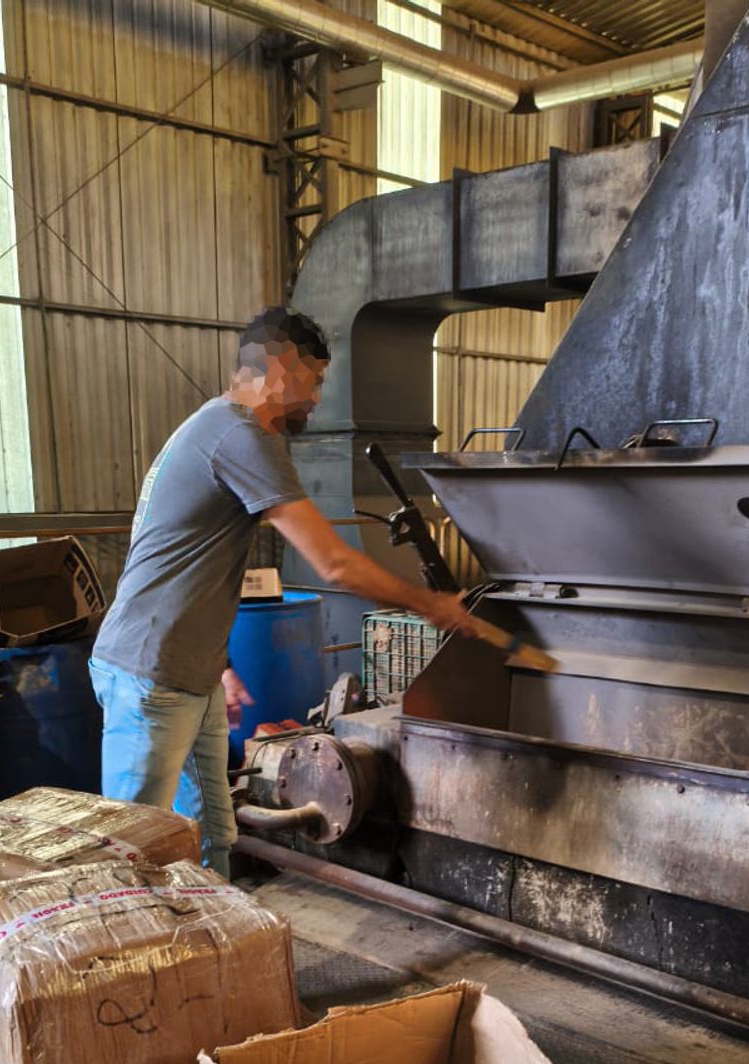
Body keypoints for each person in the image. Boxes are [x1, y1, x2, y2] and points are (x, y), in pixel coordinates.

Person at [90, 305, 474, 878]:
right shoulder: (241, 434)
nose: (316, 399)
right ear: (280, 368)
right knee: (133, 850)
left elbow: (188, 565)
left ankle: (219, 929)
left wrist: (219, 667)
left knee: (212, 834)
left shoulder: (215, 427)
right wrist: (433, 605)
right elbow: (334, 563)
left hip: (189, 673)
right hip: (149, 674)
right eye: (313, 381)